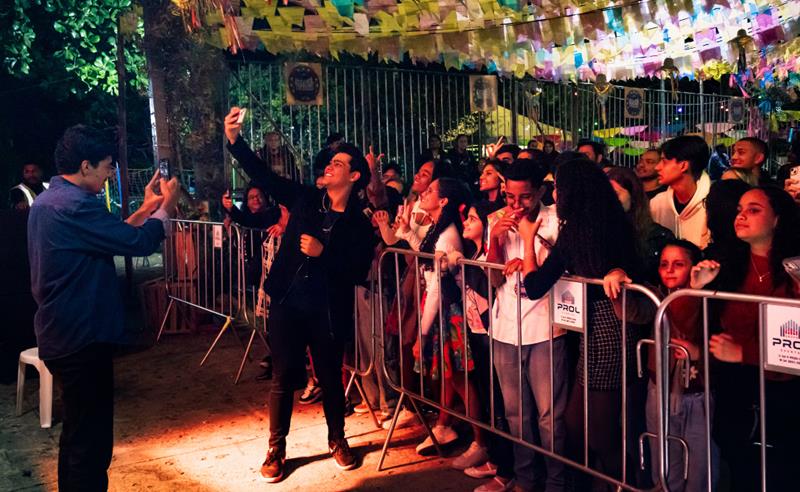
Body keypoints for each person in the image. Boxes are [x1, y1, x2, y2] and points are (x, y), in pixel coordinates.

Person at [224, 107, 375, 482]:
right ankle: (276, 448)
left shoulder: (359, 222)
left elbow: (358, 271)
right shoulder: (306, 198)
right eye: (330, 163)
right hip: (288, 304)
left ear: (354, 176)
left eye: (338, 164)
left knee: (329, 377)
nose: (330, 167)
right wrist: (234, 141)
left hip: (327, 309)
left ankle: (337, 439)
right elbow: (265, 176)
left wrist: (326, 253)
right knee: (283, 376)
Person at [28, 125, 180, 491]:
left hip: (61, 333)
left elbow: (114, 236)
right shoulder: (76, 205)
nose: (110, 174)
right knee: (91, 445)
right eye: (108, 166)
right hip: (81, 335)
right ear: (86, 166)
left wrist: (146, 207)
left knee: (78, 435)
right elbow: (139, 243)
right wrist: (167, 207)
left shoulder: (50, 201)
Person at [518, 157, 640, 487]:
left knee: (599, 432)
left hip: (604, 330)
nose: (555, 194)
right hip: (610, 326)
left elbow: (535, 286)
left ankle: (627, 484)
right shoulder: (611, 221)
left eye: (558, 187)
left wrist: (527, 240)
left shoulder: (577, 230)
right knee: (577, 423)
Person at [691, 186, 800, 492]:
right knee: (739, 467)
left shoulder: (794, 269)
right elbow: (693, 323)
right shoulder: (727, 266)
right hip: (735, 390)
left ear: (777, 219)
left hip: (782, 394)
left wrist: (745, 352)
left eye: (754, 210)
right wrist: (696, 289)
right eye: (739, 210)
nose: (741, 216)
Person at [603, 240, 720, 492]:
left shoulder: (708, 297)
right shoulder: (656, 295)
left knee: (699, 462)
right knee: (663, 457)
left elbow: (695, 327)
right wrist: (618, 280)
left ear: (693, 266)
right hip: (658, 388)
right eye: (664, 264)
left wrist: (694, 289)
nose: (669, 270)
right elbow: (632, 312)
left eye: (678, 264)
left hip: (696, 393)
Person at [486, 159, 566, 492]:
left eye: (525, 197)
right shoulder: (496, 220)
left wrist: (531, 248)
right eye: (510, 197)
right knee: (516, 414)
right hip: (505, 328)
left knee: (549, 416)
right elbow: (492, 279)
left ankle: (557, 482)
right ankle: (525, 478)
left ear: (541, 191)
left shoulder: (555, 220)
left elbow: (560, 269)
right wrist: (494, 241)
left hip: (546, 328)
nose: (516, 205)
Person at [408, 178, 484, 460]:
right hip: (442, 310)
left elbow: (437, 288)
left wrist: (422, 333)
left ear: (443, 201)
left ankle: (481, 442)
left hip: (449, 312)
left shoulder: (447, 235)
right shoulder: (439, 229)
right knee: (450, 376)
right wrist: (405, 232)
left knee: (460, 378)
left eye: (431, 191)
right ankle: (444, 425)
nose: (424, 193)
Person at [447, 200, 515, 491]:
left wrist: (464, 263)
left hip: (492, 333)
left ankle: (506, 467)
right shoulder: (473, 253)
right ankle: (496, 459)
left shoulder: (486, 255)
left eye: (473, 218)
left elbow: (487, 285)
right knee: (488, 399)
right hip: (476, 332)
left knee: (500, 403)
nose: (466, 222)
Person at [606, 167, 674, 284]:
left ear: (633, 196)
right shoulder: (600, 232)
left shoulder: (657, 236)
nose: (609, 199)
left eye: (615, 194)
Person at [649, 136, 711, 249]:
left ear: (683, 165)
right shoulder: (657, 203)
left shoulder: (712, 205)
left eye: (664, 161)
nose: (657, 167)